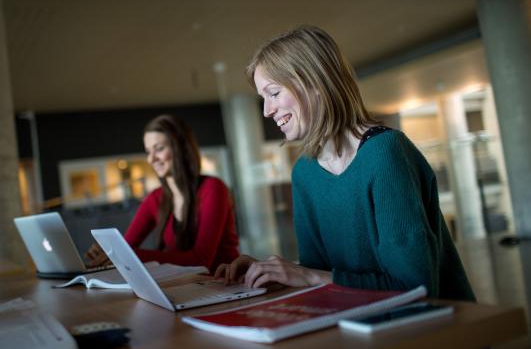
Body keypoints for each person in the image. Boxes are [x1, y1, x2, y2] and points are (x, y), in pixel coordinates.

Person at [215, 25, 475, 301]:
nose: (267, 111)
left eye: (274, 93)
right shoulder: (304, 172)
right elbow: (324, 273)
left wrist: (309, 276)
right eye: (263, 98)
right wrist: (272, 274)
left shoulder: (386, 153)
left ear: (314, 82)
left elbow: (416, 287)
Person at [86, 115, 240, 273]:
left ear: (181, 148)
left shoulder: (213, 188)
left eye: (159, 149)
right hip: (189, 288)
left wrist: (129, 254)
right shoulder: (155, 198)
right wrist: (109, 253)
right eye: (148, 152)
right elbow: (127, 246)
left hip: (226, 286)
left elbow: (201, 261)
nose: (151, 159)